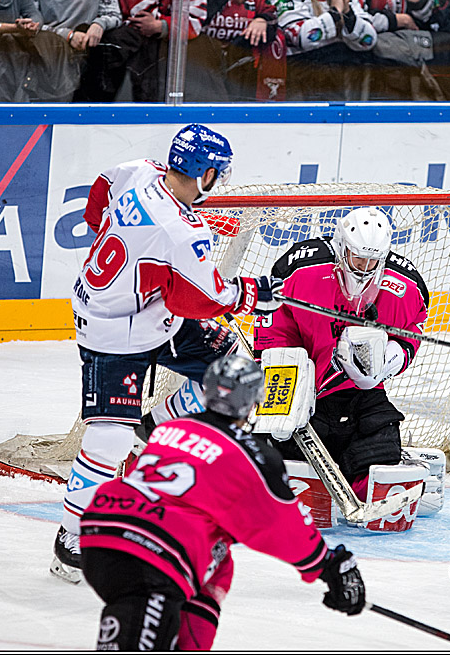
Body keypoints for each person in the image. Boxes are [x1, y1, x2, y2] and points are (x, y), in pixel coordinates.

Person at [51, 124, 283, 585]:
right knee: (107, 443)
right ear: (204, 174)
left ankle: (153, 427)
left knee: (237, 376)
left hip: (155, 315)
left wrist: (110, 233)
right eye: (218, 172)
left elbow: (102, 187)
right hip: (113, 334)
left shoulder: (141, 172)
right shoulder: (182, 230)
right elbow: (195, 300)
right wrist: (251, 293)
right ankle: (71, 537)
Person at [79, 354, 365, 650]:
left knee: (217, 558)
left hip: (101, 528)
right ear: (253, 401)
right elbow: (284, 526)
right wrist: (329, 565)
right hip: (152, 555)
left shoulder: (169, 430)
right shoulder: (253, 457)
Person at [252, 207, 428, 504]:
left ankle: (365, 484)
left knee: (381, 442)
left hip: (360, 393)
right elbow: (273, 324)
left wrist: (386, 362)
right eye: (358, 257)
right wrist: (283, 387)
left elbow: (410, 332)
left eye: (374, 260)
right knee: (281, 447)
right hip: (306, 388)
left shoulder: (403, 286)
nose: (365, 266)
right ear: (341, 247)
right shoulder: (301, 271)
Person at [76, 0, 208, 102]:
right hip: (132, 37)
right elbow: (137, 15)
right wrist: (167, 23)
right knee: (118, 42)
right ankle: (95, 111)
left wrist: (160, 25)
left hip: (168, 44)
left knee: (196, 48)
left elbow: (195, 22)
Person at [274, 0, 379, 101]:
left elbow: (369, 40)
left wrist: (348, 13)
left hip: (342, 79)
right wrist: (335, 13)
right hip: (301, 78)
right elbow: (301, 37)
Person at [24, 0, 122, 100]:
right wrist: (67, 35)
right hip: (50, 41)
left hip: (88, 41)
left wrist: (99, 24)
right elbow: (30, 23)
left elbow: (114, 13)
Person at [191, 0, 286, 102]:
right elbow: (198, 16)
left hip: (241, 57)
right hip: (203, 59)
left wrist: (262, 20)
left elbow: (270, 12)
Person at [350, 0, 437, 100]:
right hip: (372, 63)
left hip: (412, 59)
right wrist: (397, 20)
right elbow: (355, 20)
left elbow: (426, 14)